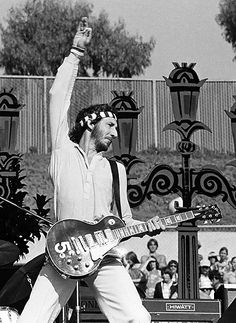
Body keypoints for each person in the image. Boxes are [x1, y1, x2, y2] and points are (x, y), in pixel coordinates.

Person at [17, 18, 164, 323]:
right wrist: (75, 53)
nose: (114, 132)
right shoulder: (62, 150)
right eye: (109, 124)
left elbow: (124, 221)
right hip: (61, 255)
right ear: (89, 123)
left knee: (138, 319)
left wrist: (147, 226)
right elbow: (58, 97)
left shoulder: (115, 169)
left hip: (105, 257)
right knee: (31, 320)